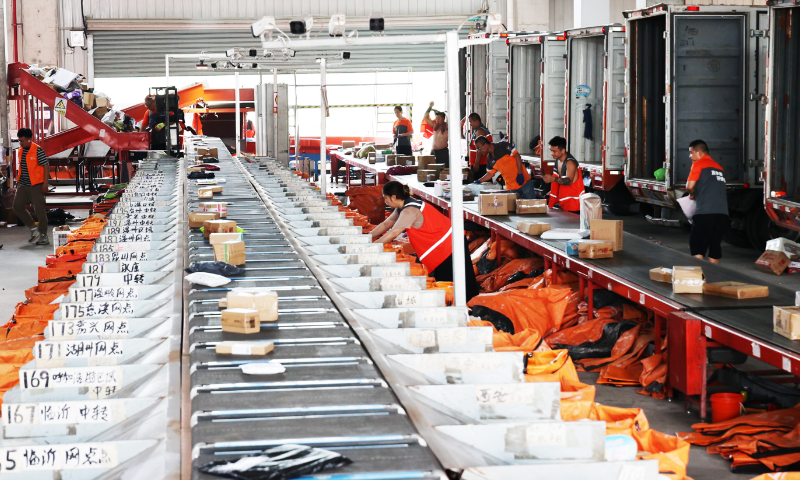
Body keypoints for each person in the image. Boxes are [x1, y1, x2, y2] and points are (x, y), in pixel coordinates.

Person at [371, 181, 481, 301]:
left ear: (393, 197)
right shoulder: (404, 207)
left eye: (385, 198)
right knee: (453, 280)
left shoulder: (410, 210)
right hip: (447, 241)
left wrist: (372, 247)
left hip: (450, 243)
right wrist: (367, 238)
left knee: (454, 281)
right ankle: (466, 303)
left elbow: (394, 232)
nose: (385, 201)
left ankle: (468, 307)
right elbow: (386, 224)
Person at [686, 139, 728, 264]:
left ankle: (699, 277)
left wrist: (692, 194)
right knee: (714, 245)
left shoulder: (698, 164)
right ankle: (712, 276)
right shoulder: (719, 168)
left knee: (698, 245)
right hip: (722, 214)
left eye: (691, 152)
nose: (690, 156)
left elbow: (689, 186)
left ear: (699, 152)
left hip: (705, 212)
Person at [13, 128, 50, 245]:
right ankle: (34, 229)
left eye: (22, 141)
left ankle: (44, 235)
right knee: (17, 207)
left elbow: (46, 166)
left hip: (36, 185)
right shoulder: (20, 150)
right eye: (19, 141)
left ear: (29, 140)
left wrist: (45, 184)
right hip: (23, 184)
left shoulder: (38, 150)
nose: (20, 143)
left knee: (39, 210)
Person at [543, 136, 584, 212]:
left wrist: (553, 179)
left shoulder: (570, 163)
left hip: (574, 207)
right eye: (551, 151)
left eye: (554, 151)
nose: (552, 153)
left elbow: (568, 181)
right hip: (565, 205)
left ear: (563, 150)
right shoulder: (558, 161)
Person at [467, 113, 493, 178]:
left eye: (471, 122)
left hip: (481, 164)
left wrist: (477, 163)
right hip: (480, 163)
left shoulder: (480, 131)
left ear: (476, 121)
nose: (470, 124)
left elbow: (479, 148)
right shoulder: (478, 130)